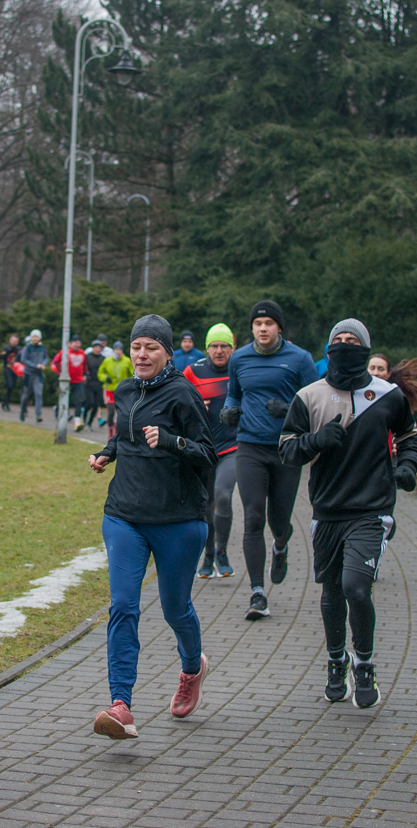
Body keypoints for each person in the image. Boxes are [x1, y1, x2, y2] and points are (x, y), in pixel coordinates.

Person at [278, 318, 417, 708]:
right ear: (328, 348)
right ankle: (336, 659)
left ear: (365, 348)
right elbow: (287, 448)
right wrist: (315, 441)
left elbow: (409, 437)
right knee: (331, 592)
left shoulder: (388, 395)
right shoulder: (309, 396)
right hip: (327, 509)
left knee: (357, 587)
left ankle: (365, 664)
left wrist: (407, 467)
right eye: (338, 340)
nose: (345, 345)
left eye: (353, 341)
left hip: (371, 510)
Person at [87, 315, 217, 739]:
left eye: (151, 348)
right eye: (136, 347)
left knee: (174, 609)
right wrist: (107, 453)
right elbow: (125, 435)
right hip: (124, 513)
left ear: (167, 353)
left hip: (178, 520)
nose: (141, 355)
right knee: (123, 606)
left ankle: (192, 667)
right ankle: (121, 704)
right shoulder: (124, 390)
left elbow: (208, 454)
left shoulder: (183, 394)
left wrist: (173, 441)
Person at [221, 300, 318, 621]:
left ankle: (280, 545)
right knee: (252, 517)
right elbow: (234, 393)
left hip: (286, 449)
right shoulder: (240, 358)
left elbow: (313, 402)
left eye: (269, 323)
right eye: (258, 323)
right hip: (249, 446)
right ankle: (257, 592)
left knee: (279, 522)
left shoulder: (299, 359)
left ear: (279, 327)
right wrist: (230, 410)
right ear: (251, 328)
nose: (263, 328)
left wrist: (289, 409)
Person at [184, 323, 238, 579]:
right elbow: (177, 401)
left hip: (233, 446)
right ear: (206, 348)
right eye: (214, 346)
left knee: (223, 496)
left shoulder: (240, 368)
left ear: (232, 347)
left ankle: (222, 552)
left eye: (224, 346)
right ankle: (207, 556)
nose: (219, 350)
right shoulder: (193, 371)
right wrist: (194, 408)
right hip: (204, 449)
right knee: (206, 504)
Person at [51, 334, 87, 431]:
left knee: (78, 401)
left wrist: (85, 375)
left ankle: (77, 422)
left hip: (78, 380)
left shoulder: (82, 353)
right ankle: (60, 414)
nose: (77, 345)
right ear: (71, 343)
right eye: (75, 343)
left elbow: (85, 365)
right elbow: (56, 362)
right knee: (64, 399)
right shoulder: (65, 351)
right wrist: (61, 372)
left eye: (79, 343)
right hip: (67, 380)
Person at [98, 340, 133, 439]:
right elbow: (100, 373)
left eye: (120, 349)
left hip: (122, 391)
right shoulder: (107, 361)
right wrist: (105, 378)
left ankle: (117, 433)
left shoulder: (127, 361)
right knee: (111, 411)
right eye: (116, 349)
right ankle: (110, 431)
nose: (118, 351)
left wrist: (129, 383)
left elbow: (132, 374)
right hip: (109, 390)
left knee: (121, 413)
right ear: (113, 350)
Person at [18, 329, 49, 422]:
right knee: (26, 395)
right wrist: (35, 365)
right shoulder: (28, 348)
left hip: (38, 375)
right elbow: (24, 360)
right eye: (33, 337)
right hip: (28, 374)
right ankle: (23, 410)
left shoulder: (42, 347)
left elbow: (46, 357)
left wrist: (43, 364)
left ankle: (38, 414)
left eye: (37, 337)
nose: (35, 339)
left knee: (38, 394)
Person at [83, 338, 107, 429]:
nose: (97, 349)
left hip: (99, 384)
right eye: (96, 347)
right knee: (90, 403)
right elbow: (84, 368)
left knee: (96, 405)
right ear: (93, 348)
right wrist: (85, 375)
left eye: (99, 347)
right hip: (89, 383)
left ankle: (89, 422)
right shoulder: (88, 357)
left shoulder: (103, 359)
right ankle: (84, 416)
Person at [0, 333, 21, 411]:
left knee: (12, 387)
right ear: (10, 340)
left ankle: (5, 402)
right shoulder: (6, 348)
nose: (15, 343)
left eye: (16, 341)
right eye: (13, 341)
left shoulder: (18, 349)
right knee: (10, 386)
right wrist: (7, 351)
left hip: (15, 371)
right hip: (7, 370)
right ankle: (5, 403)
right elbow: (2, 356)